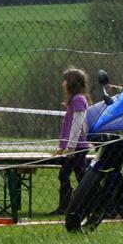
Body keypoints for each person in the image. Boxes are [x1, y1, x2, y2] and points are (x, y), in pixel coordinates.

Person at [53, 67, 92, 214]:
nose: (63, 83)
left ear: (72, 83)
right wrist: (63, 146)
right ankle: (79, 205)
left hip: (78, 147)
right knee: (80, 175)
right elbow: (68, 125)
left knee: (66, 175)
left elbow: (77, 125)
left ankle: (71, 206)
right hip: (75, 146)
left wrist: (71, 147)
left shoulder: (78, 100)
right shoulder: (75, 100)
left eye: (65, 80)